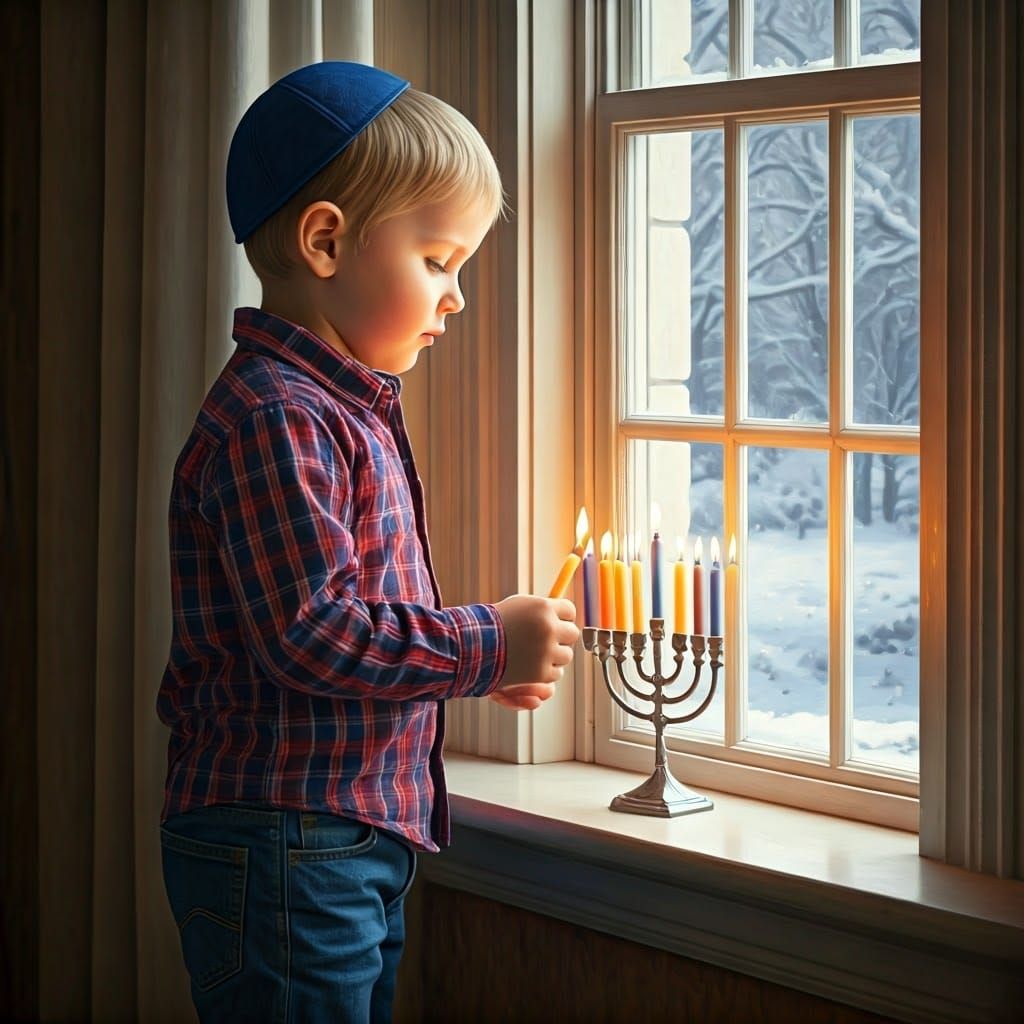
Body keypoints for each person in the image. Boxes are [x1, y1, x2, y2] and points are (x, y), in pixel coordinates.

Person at [156, 61, 579, 1023]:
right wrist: (483, 645)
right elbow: (314, 632)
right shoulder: (280, 416)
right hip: (286, 836)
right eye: (438, 261)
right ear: (326, 241)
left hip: (338, 836)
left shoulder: (339, 408)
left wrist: (479, 664)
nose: (455, 297)